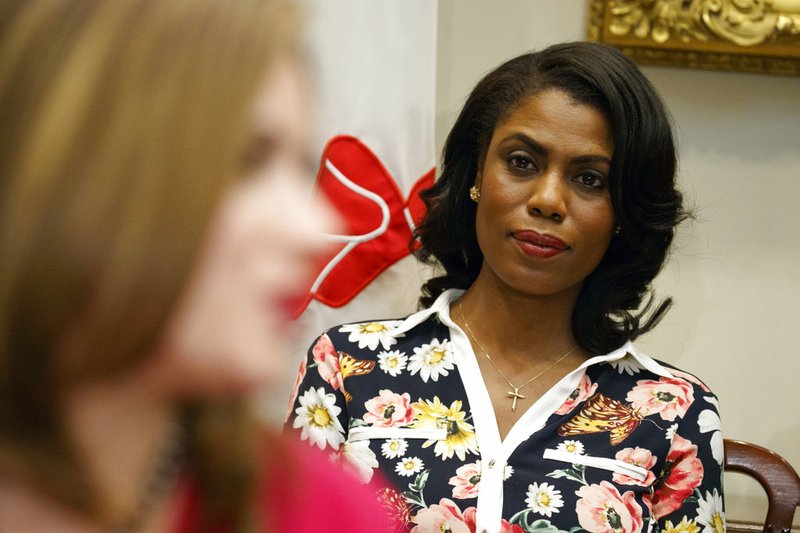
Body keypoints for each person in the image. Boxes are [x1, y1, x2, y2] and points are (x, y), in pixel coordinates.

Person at [285, 42, 725, 532]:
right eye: (521, 162)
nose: (548, 200)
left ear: (623, 214)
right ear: (476, 173)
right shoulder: (344, 366)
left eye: (589, 179)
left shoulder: (677, 410)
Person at [0, 0, 391, 531]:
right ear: (72, 172)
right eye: (247, 160)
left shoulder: (315, 509)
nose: (308, 227)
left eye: (298, 169)